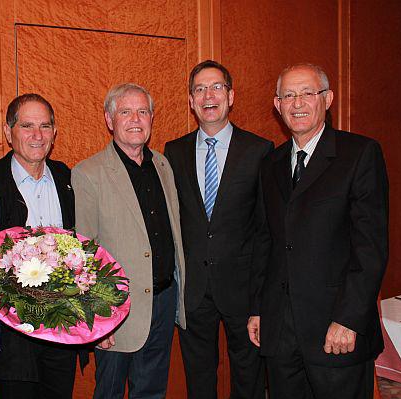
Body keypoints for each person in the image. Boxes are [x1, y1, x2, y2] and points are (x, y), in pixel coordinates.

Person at [248, 64, 389, 399]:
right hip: (281, 331)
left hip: (335, 331)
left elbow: (371, 248)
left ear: (327, 99)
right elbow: (265, 240)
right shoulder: (271, 164)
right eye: (288, 95)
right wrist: (258, 308)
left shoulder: (359, 154)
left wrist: (349, 319)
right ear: (277, 105)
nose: (298, 103)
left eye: (307, 93)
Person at [164, 60, 272, 399]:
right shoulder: (174, 152)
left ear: (231, 96)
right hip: (194, 289)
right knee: (198, 380)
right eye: (199, 89)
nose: (208, 95)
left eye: (216, 87)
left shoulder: (259, 151)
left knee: (249, 377)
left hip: (244, 290)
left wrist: (260, 299)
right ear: (191, 101)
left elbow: (265, 229)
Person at [72, 83, 186, 398]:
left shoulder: (163, 165)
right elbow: (82, 253)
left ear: (151, 118)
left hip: (162, 302)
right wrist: (95, 318)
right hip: (115, 310)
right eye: (125, 112)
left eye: (143, 111)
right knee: (108, 391)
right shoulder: (88, 173)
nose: (135, 119)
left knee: (151, 392)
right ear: (110, 120)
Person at [0, 93, 84, 399]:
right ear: (9, 133)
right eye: (27, 126)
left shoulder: (68, 179)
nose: (37, 135)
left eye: (45, 126)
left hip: (62, 334)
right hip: (13, 342)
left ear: (54, 132)